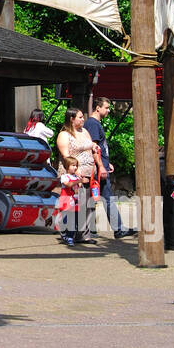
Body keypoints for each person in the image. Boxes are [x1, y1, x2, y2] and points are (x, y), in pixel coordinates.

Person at [84, 98, 135, 238]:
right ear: (97, 108)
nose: (108, 110)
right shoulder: (93, 124)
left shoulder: (94, 123)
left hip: (102, 166)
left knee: (103, 198)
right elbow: (93, 147)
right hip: (98, 169)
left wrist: (107, 163)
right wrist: (101, 165)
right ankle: (115, 229)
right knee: (102, 198)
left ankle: (111, 228)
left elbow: (100, 147)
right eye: (106, 107)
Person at [55, 108, 99, 243]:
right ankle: (69, 233)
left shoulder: (85, 131)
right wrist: (76, 170)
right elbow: (66, 155)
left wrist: (100, 163)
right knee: (73, 205)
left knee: (88, 204)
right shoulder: (64, 134)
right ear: (72, 119)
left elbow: (93, 146)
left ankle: (84, 234)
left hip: (88, 175)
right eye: (80, 117)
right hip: (73, 175)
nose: (83, 119)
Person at [54, 158, 82, 247]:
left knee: (74, 220)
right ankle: (64, 233)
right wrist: (79, 181)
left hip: (75, 201)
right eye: (73, 165)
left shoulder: (77, 177)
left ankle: (70, 237)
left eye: (76, 165)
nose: (75, 167)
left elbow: (78, 188)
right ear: (67, 167)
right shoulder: (64, 177)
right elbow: (68, 184)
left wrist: (80, 181)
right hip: (66, 201)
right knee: (65, 220)